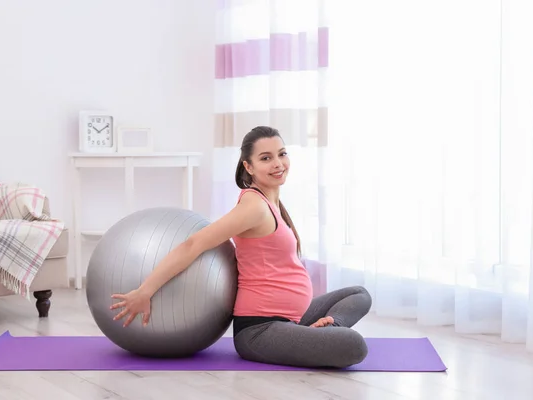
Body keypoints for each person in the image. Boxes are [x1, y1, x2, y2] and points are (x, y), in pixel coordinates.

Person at [110, 126, 372, 369]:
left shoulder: (272, 204)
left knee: (359, 293)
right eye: (266, 158)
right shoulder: (253, 207)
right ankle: (327, 333)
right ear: (249, 166)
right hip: (261, 330)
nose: (278, 163)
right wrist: (145, 291)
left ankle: (328, 327)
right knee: (354, 346)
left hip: (294, 317)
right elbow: (194, 244)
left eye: (282, 154)